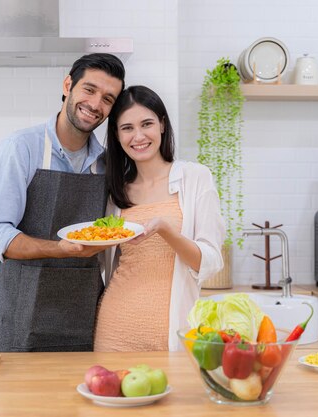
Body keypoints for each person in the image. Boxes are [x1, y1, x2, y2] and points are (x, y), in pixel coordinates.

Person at [0, 53, 126, 352]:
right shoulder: (20, 149)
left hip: (81, 312)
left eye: (108, 99)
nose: (96, 104)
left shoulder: (107, 163)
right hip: (17, 310)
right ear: (67, 84)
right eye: (89, 89)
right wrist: (59, 249)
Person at [94, 85, 225, 352]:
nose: (138, 136)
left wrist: (166, 230)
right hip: (114, 329)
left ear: (162, 125)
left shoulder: (195, 178)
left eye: (146, 124)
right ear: (117, 135)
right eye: (127, 128)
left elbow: (210, 261)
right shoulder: (115, 192)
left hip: (172, 333)